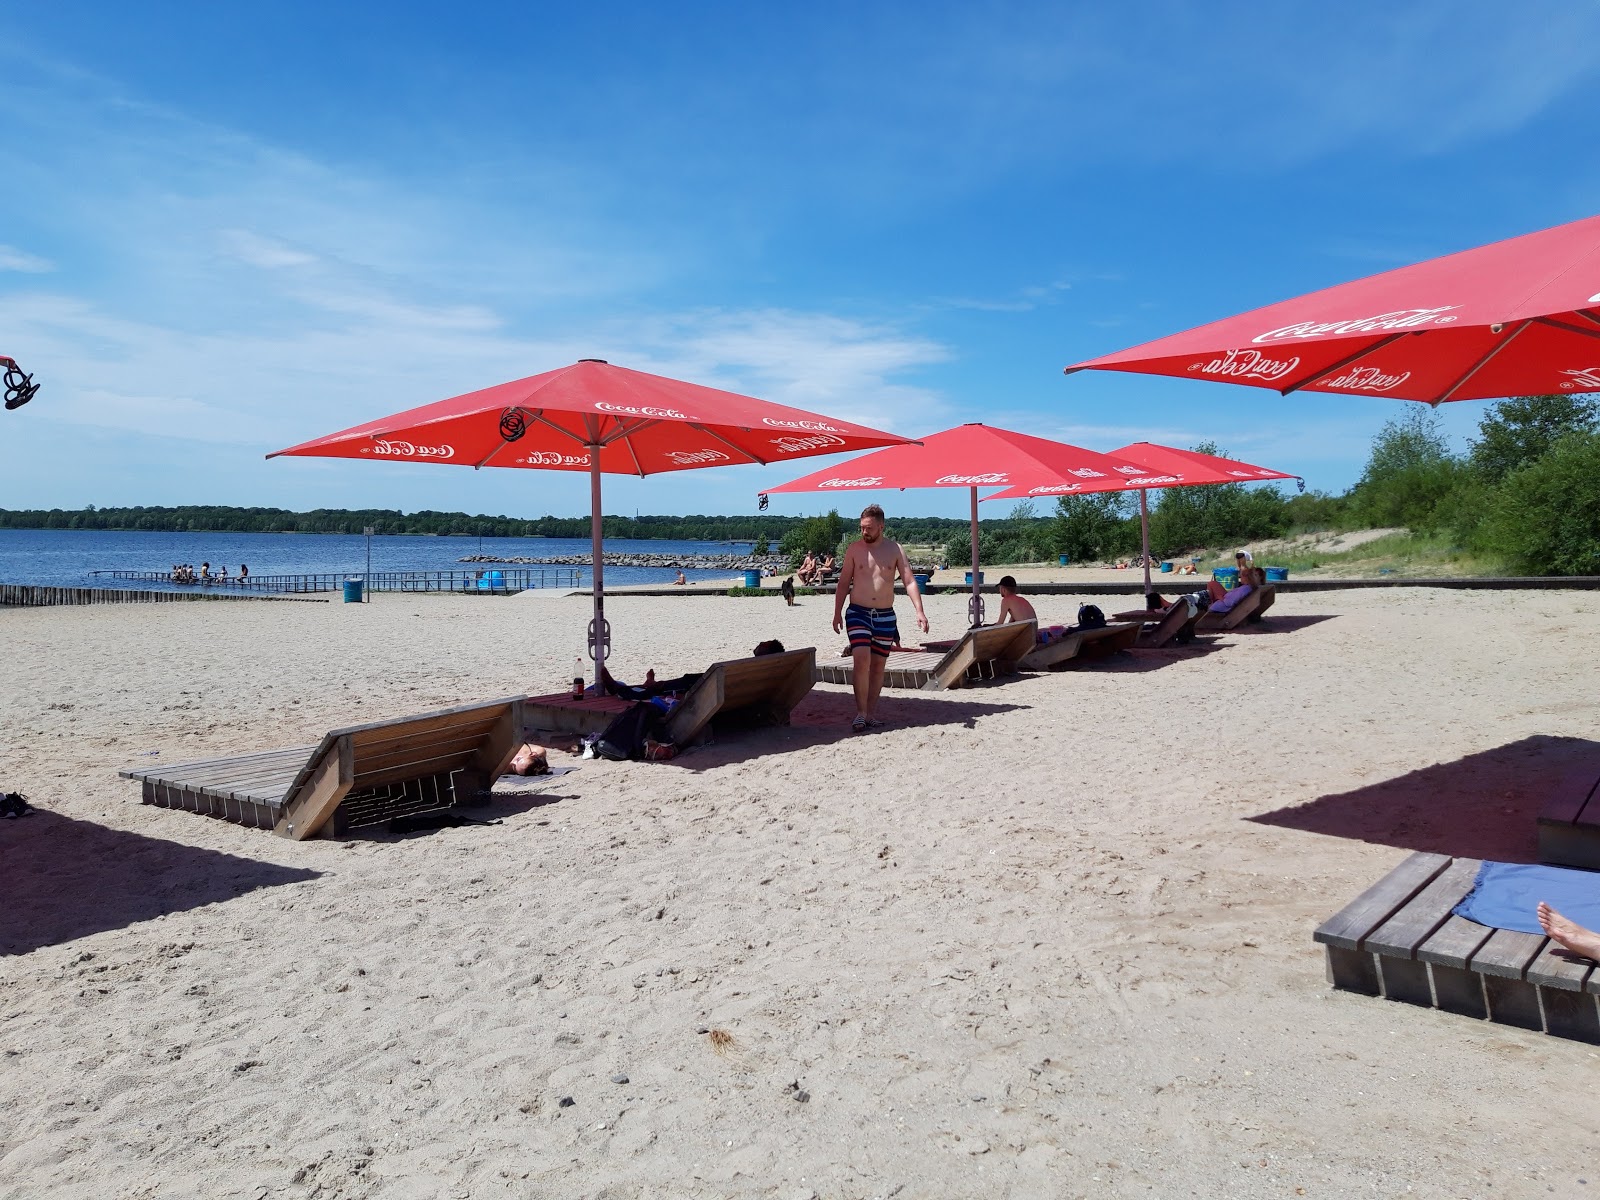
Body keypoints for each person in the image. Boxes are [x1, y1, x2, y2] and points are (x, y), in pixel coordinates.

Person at [833, 504, 929, 732]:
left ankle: (871, 714)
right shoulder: (854, 550)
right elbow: (844, 582)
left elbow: (909, 581)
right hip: (858, 612)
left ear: (881, 526)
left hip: (886, 616)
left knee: (878, 666)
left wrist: (919, 611)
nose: (863, 532)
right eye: (861, 528)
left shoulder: (895, 549)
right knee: (861, 659)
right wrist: (837, 611)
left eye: (868, 528)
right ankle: (860, 713)